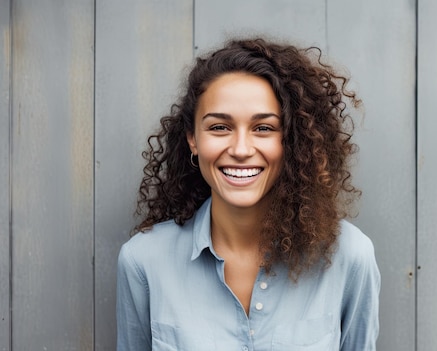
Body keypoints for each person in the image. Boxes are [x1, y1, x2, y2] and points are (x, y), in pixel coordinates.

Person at [116, 37, 380, 351]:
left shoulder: (349, 257)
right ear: (193, 140)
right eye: (219, 128)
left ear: (292, 140)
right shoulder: (143, 262)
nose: (241, 150)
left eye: (264, 128)